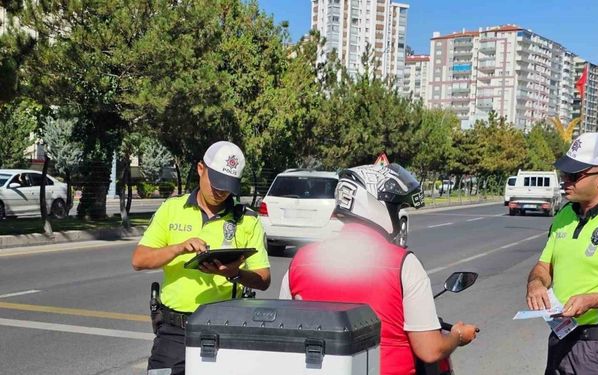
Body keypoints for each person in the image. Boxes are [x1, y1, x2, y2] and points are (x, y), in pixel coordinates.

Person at [279, 163, 478, 375]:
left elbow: (282, 331)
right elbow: (430, 350)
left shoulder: (299, 261)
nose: (397, 215)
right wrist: (457, 335)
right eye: (395, 208)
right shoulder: (403, 264)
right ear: (376, 206)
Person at [132, 141, 271, 375]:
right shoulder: (171, 209)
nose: (220, 191)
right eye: (216, 182)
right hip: (174, 332)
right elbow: (139, 260)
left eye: (228, 186)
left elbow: (263, 278)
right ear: (200, 169)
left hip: (224, 330)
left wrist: (234, 273)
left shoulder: (247, 220)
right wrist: (178, 248)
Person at [526, 132, 598, 374]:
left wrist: (593, 300)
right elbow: (544, 265)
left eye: (574, 175)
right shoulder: (565, 214)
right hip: (561, 338)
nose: (565, 180)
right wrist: (536, 283)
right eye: (564, 173)